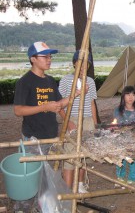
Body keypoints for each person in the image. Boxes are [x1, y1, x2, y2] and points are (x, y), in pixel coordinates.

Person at [13, 41, 80, 212]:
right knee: (34, 177)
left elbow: (58, 104)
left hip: (51, 135)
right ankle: (27, 206)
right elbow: (18, 110)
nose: (49, 60)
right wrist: (45, 107)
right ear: (33, 59)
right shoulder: (25, 82)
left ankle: (44, 206)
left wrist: (76, 94)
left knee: (48, 175)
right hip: (33, 137)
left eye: (50, 56)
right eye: (45, 56)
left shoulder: (50, 81)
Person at [59, 50, 98, 193]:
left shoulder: (91, 82)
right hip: (72, 119)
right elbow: (59, 105)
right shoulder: (66, 80)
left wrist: (94, 124)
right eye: (80, 64)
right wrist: (68, 122)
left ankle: (81, 184)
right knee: (70, 155)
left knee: (84, 153)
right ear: (74, 64)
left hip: (87, 120)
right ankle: (67, 190)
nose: (82, 68)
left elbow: (92, 103)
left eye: (86, 65)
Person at [113, 86, 135, 187]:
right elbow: (116, 125)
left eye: (133, 94)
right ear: (123, 96)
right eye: (128, 94)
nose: (130, 97)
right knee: (121, 158)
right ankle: (120, 178)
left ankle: (132, 179)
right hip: (120, 138)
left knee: (134, 159)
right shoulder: (118, 110)